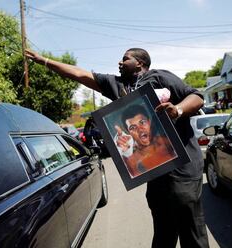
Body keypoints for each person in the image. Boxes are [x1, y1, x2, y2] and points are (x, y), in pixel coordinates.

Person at [26, 48, 209, 248]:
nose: (120, 63)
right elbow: (80, 74)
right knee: (163, 230)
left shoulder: (160, 76)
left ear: (140, 63)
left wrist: (178, 110)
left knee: (190, 231)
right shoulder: (118, 85)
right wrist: (43, 60)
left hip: (183, 168)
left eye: (125, 59)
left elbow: (197, 96)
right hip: (156, 173)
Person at [115, 104, 176, 178]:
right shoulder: (131, 158)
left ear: (149, 122)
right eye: (133, 127)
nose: (140, 129)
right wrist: (126, 154)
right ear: (128, 133)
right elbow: (135, 176)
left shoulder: (166, 141)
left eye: (142, 122)